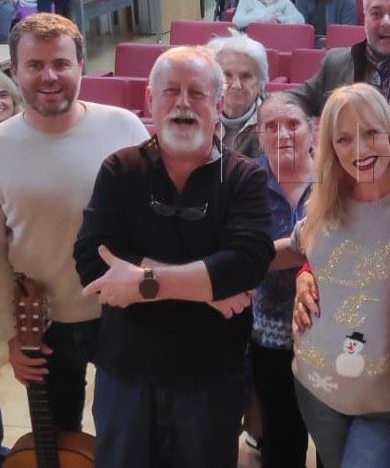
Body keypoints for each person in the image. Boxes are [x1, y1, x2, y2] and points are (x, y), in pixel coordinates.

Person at [75, 46, 274, 467]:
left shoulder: (245, 177)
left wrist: (143, 280)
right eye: (171, 91)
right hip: (126, 377)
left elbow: (246, 263)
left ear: (218, 105)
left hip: (210, 381)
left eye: (197, 93)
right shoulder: (119, 170)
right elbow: (93, 264)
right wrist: (206, 290)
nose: (183, 103)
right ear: (151, 100)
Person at [0, 13, 151, 436]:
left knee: (125, 434)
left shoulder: (124, 127)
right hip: (41, 322)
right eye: (34, 65)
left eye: (61, 64)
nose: (49, 76)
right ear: (15, 71)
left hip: (121, 316)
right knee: (57, 438)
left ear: (80, 66)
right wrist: (11, 335)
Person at [287, 83, 390, 467]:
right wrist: (302, 273)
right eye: (343, 139)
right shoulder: (327, 194)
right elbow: (299, 248)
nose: (359, 149)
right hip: (315, 385)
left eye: (370, 133)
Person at [248, 93, 315, 467]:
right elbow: (233, 250)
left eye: (292, 124)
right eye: (270, 126)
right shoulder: (245, 179)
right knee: (280, 439)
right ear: (258, 135)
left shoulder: (337, 175)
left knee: (330, 442)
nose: (282, 134)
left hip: (329, 332)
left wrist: (252, 259)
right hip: (267, 335)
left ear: (311, 129)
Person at [209, 29, 269, 158]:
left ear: (260, 83)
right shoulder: (198, 118)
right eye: (227, 75)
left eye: (246, 76)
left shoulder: (277, 122)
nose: (236, 85)